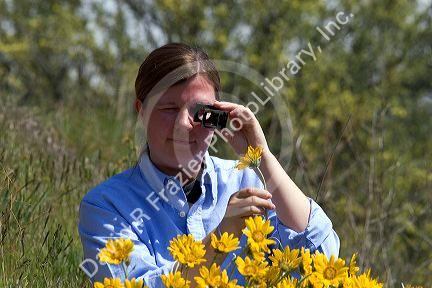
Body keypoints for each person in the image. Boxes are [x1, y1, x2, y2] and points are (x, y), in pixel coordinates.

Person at [78, 43, 340, 287]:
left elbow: (322, 257)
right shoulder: (107, 206)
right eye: (168, 108)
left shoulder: (246, 182)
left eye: (199, 112)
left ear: (217, 118)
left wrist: (262, 156)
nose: (183, 125)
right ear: (141, 111)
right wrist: (219, 241)